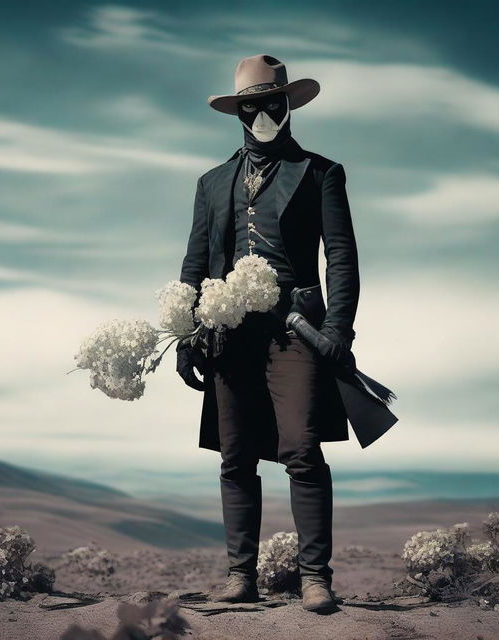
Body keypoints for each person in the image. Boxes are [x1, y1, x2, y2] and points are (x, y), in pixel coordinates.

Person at [176, 54, 360, 613]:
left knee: (302, 449)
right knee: (234, 455)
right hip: (229, 333)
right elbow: (193, 264)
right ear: (237, 112)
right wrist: (186, 333)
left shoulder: (322, 172)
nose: (261, 113)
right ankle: (241, 577)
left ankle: (315, 579)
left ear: (288, 104)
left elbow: (342, 257)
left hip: (296, 331)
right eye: (250, 105)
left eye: (270, 103)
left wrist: (338, 329)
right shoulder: (211, 183)